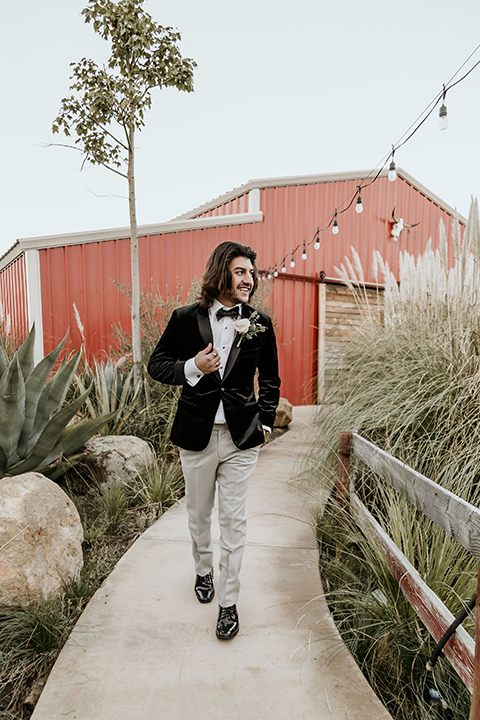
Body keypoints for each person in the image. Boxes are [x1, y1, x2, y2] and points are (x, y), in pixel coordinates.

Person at [147, 241, 280, 640]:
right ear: (221, 272)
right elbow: (156, 364)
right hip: (196, 435)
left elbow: (270, 379)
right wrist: (192, 366)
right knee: (199, 515)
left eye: (251, 273)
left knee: (234, 522)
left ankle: (228, 601)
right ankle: (203, 571)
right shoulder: (185, 318)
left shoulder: (260, 322)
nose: (249, 279)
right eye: (241, 272)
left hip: (242, 439)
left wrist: (267, 424)